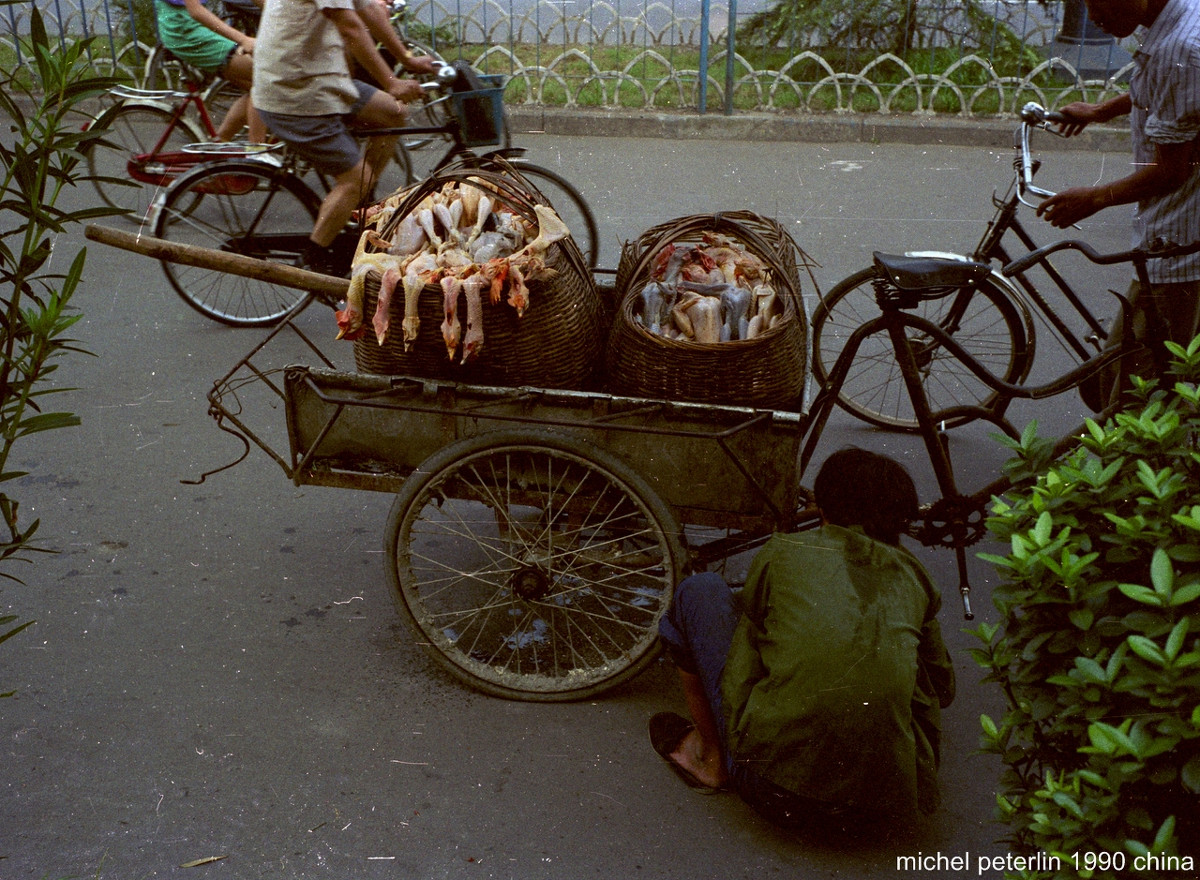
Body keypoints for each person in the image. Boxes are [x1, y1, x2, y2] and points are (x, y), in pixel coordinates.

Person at [650, 447, 956, 828]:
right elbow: (943, 689)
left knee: (702, 590)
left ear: (823, 510)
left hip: (772, 791)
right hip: (888, 806)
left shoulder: (782, 553)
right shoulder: (916, 577)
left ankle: (712, 760)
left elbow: (748, 648)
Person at [1037, 0, 1200, 390]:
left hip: (1177, 242)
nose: (1092, 17)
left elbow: (1171, 171)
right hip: (1182, 234)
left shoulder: (1180, 47)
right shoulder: (1179, 17)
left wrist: (1094, 198)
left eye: (1099, 3)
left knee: (1134, 393)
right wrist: (1101, 111)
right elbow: (1169, 91)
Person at [251, 0, 438, 276]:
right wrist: (391, 81)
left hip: (322, 80)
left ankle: (362, 211)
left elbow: (370, 9)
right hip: (294, 91)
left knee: (393, 113)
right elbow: (350, 26)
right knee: (356, 178)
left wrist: (406, 59)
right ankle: (310, 263)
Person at [154, 0, 265, 142]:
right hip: (186, 31)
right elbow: (196, 11)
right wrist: (243, 40)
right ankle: (258, 153)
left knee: (256, 86)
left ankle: (220, 144)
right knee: (264, 80)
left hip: (190, 26)